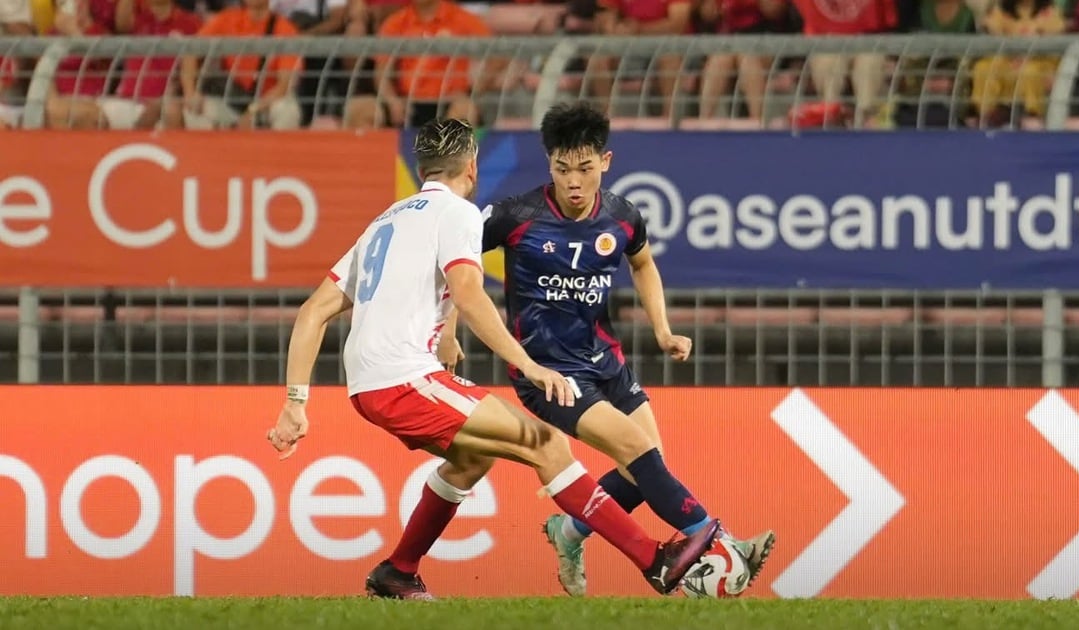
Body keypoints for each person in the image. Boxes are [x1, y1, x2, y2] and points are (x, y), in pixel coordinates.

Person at [266, 117, 719, 600]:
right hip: (404, 378)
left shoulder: (386, 220)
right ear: (473, 166)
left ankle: (399, 571)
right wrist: (530, 364)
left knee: (470, 460)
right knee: (547, 444)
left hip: (368, 383)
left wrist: (296, 401)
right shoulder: (457, 213)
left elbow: (313, 311)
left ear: (422, 166)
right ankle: (654, 561)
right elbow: (468, 292)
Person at [445, 102, 774, 597]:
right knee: (640, 454)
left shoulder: (622, 217)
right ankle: (718, 542)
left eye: (584, 168)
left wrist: (662, 330)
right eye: (561, 169)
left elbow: (643, 265)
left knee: (646, 467)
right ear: (549, 164)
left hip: (607, 364)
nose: (573, 181)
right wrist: (449, 329)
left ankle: (570, 531)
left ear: (606, 161)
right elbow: (459, 266)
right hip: (548, 374)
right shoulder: (516, 215)